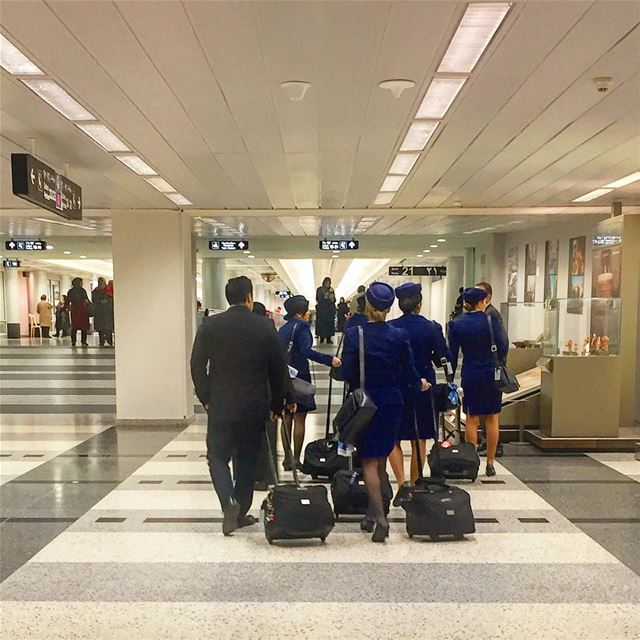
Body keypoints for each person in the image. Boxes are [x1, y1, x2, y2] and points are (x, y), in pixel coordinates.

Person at [190, 276, 292, 536]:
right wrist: (276, 404)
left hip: (221, 404)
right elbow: (278, 369)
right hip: (254, 405)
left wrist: (206, 398)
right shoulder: (265, 326)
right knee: (247, 461)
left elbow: (197, 365)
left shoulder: (211, 325)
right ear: (249, 297)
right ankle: (241, 510)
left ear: (227, 298)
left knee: (217, 457)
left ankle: (229, 503)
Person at [341, 282, 429, 543]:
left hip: (366, 404)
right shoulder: (399, 335)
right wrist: (419, 386)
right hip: (393, 402)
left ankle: (380, 518)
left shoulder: (355, 334)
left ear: (367, 305)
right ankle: (372, 512)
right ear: (390, 307)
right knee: (381, 456)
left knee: (369, 460)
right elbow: (410, 372)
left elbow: (347, 372)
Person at [388, 283, 450, 494]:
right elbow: (444, 359)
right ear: (419, 304)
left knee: (393, 436)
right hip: (424, 386)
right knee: (419, 436)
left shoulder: (391, 327)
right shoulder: (432, 327)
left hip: (396, 385)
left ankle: (401, 483)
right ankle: (415, 485)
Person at [448, 287, 508, 477]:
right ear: (481, 302)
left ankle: (472, 462)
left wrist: (450, 377)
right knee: (492, 418)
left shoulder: (456, 324)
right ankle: (490, 463)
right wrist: (499, 361)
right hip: (491, 372)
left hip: (471, 373)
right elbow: (503, 344)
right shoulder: (491, 321)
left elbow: (453, 353)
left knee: (472, 418)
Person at [279, 295, 341, 471]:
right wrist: (330, 360)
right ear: (302, 312)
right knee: (300, 417)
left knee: (287, 417)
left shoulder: (283, 329)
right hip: (300, 375)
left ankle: (286, 458)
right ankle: (296, 459)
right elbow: (307, 351)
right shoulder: (303, 327)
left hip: (285, 376)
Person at [476, 281, 507, 457]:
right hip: (485, 368)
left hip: (492, 368)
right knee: (483, 411)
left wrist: (499, 363)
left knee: (491, 413)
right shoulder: (482, 314)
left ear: (488, 297)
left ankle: (495, 445)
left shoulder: (492, 314)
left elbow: (502, 342)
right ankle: (486, 440)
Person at [65, 278, 90, 347]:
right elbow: (86, 300)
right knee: (83, 327)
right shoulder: (82, 291)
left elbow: (67, 301)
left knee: (74, 326)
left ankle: (73, 341)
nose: (82, 284)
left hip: (74, 310)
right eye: (81, 282)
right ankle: (83, 341)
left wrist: (66, 308)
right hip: (82, 310)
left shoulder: (70, 291)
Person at [92, 277, 114, 347]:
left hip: (105, 312)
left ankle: (107, 340)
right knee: (102, 328)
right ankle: (103, 341)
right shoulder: (98, 290)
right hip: (102, 312)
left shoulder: (105, 290)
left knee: (107, 328)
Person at [315, 276, 336, 344]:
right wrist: (328, 294)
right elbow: (319, 299)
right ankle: (322, 337)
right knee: (322, 324)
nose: (328, 284)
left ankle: (328, 338)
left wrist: (332, 297)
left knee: (329, 324)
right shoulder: (320, 290)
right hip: (322, 310)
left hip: (329, 310)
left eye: (329, 283)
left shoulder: (331, 290)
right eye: (327, 282)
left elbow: (334, 300)